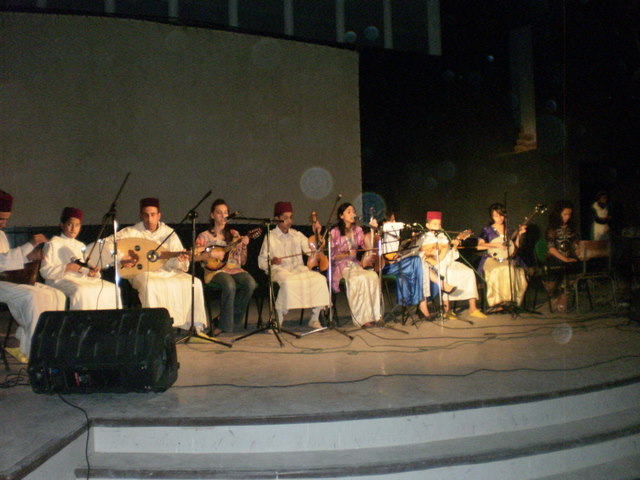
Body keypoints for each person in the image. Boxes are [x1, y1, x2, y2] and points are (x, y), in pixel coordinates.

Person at [114, 197, 207, 332]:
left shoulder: (168, 233)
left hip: (167, 271)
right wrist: (123, 258)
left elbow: (178, 260)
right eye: (146, 215)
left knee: (195, 283)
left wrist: (180, 259)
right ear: (141, 216)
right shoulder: (131, 232)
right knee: (150, 284)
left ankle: (193, 325)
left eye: (153, 215)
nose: (149, 219)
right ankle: (155, 327)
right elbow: (111, 246)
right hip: (142, 271)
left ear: (159, 215)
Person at [0, 190, 66, 361]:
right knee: (32, 297)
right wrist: (29, 245)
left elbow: (8, 261)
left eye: (6, 219)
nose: (4, 224)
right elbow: (1, 261)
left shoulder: (1, 234)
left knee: (56, 294)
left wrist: (29, 257)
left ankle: (46, 346)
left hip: (7, 280)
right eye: (1, 219)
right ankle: (35, 354)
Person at [257, 201, 330, 329]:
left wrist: (317, 234)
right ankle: (278, 319)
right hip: (279, 271)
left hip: (298, 270)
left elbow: (313, 250)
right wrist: (272, 261)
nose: (289, 221)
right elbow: (262, 262)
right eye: (285, 218)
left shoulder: (297, 235)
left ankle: (314, 318)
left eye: (291, 217)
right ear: (277, 219)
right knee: (288, 282)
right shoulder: (270, 237)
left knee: (320, 279)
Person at [196, 198, 256, 335]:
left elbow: (242, 262)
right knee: (229, 284)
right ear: (212, 215)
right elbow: (195, 256)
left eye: (225, 212)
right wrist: (210, 253)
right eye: (219, 212)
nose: (223, 215)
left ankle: (225, 318)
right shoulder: (204, 236)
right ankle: (223, 326)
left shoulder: (234, 234)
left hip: (234, 268)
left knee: (250, 283)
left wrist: (244, 246)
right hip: (215, 271)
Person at [40, 207, 121, 310]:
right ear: (62, 225)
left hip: (82, 279)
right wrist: (67, 267)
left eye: (77, 225)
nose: (73, 229)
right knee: (81, 291)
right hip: (60, 280)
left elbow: (85, 267)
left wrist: (92, 272)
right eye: (70, 224)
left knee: (113, 289)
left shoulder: (80, 245)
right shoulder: (52, 244)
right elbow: (44, 271)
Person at [418, 211, 486, 320]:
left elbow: (450, 255)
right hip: (435, 266)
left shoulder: (443, 237)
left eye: (439, 224)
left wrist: (454, 246)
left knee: (469, 272)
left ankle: (473, 308)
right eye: (434, 224)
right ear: (427, 225)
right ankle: (447, 310)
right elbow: (424, 254)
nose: (438, 226)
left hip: (449, 262)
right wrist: (439, 249)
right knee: (448, 274)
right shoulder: (424, 238)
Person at [329, 202, 381, 327]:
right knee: (358, 279)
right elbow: (331, 256)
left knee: (373, 276)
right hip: (341, 266)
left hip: (355, 264)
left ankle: (374, 315)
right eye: (349, 212)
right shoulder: (335, 232)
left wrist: (373, 230)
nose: (352, 214)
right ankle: (361, 319)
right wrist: (345, 254)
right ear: (341, 216)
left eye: (353, 211)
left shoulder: (357, 230)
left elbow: (367, 246)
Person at [477, 203, 528, 309]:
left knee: (510, 269)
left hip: (507, 258)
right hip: (491, 258)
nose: (499, 218)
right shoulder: (487, 230)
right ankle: (497, 302)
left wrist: (519, 235)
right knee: (497, 270)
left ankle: (510, 301)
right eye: (496, 216)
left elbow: (515, 248)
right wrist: (496, 245)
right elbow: (479, 246)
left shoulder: (510, 230)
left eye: (501, 215)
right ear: (491, 216)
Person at [544, 200, 580, 311]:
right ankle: (554, 295)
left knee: (575, 265)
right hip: (555, 257)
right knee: (556, 270)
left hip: (568, 256)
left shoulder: (571, 228)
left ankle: (564, 295)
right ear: (558, 214)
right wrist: (565, 259)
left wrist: (578, 252)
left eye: (569, 214)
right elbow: (551, 248)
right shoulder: (552, 229)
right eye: (565, 214)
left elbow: (575, 244)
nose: (567, 217)